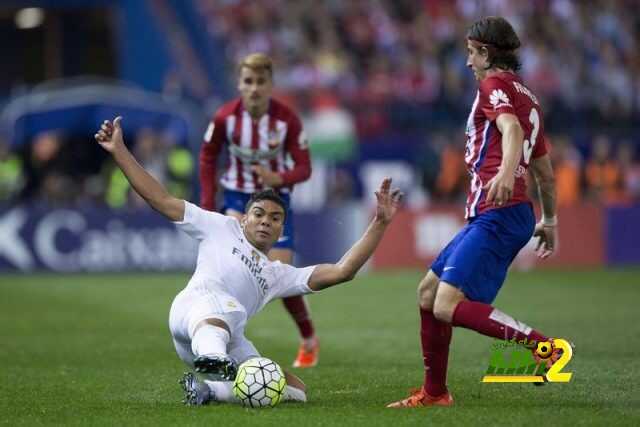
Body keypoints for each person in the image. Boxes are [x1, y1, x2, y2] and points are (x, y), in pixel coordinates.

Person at [94, 116, 402, 405]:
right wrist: (119, 151)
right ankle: (214, 359)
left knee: (293, 390)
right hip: (193, 313)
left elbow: (342, 271)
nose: (266, 221)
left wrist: (380, 223)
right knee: (229, 308)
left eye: (275, 217)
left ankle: (209, 389)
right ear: (244, 219)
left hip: (229, 339)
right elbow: (159, 199)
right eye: (259, 214)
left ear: (281, 229)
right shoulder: (219, 226)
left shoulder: (277, 274)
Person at [387, 16, 561, 408]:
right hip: (507, 212)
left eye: (471, 52)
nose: (467, 62)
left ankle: (546, 349)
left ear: (485, 52)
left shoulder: (493, 86)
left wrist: (503, 172)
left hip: (499, 211)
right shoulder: (528, 96)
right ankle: (435, 393)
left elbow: (512, 131)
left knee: (446, 304)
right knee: (428, 293)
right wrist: (549, 220)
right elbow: (546, 176)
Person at [199, 53, 319, 368]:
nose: (254, 89)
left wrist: (279, 178)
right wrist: (209, 205)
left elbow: (305, 168)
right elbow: (207, 157)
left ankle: (308, 337)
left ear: (270, 85)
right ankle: (221, 334)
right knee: (228, 266)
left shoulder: (287, 120)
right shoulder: (225, 118)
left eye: (260, 82)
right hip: (238, 199)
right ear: (239, 84)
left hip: (276, 202)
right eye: (248, 81)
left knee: (281, 277)